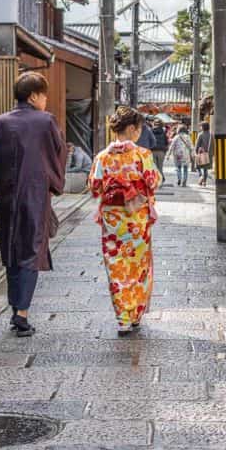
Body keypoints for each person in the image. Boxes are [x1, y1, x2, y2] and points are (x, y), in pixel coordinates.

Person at [0, 71, 66, 337]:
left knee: (12, 248)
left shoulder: (2, 121)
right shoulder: (45, 121)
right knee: (31, 250)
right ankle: (21, 314)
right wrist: (55, 183)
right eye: (44, 95)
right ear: (34, 96)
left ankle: (16, 307)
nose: (46, 100)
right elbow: (56, 153)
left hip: (7, 196)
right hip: (34, 194)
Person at [88, 106, 162, 335]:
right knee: (138, 267)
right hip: (137, 218)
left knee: (116, 267)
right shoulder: (143, 155)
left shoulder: (102, 157)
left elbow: (94, 186)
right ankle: (136, 314)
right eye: (139, 128)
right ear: (131, 128)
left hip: (112, 220)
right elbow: (153, 181)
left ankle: (123, 319)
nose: (139, 132)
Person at [195, 121, 213, 186]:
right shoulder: (211, 134)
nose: (200, 127)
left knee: (198, 167)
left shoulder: (200, 134)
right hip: (209, 154)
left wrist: (196, 152)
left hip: (201, 153)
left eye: (201, 126)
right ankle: (204, 181)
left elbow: (197, 145)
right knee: (205, 169)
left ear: (203, 127)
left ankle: (201, 177)